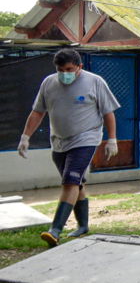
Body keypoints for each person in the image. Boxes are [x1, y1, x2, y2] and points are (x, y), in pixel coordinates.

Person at [17, 48, 120, 247]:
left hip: (86, 138)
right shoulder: (48, 83)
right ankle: (83, 226)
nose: (65, 73)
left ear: (79, 67)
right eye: (60, 69)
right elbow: (38, 112)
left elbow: (108, 112)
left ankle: (55, 230)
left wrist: (112, 139)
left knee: (70, 182)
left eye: (69, 69)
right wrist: (25, 137)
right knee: (76, 182)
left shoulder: (95, 82)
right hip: (59, 141)